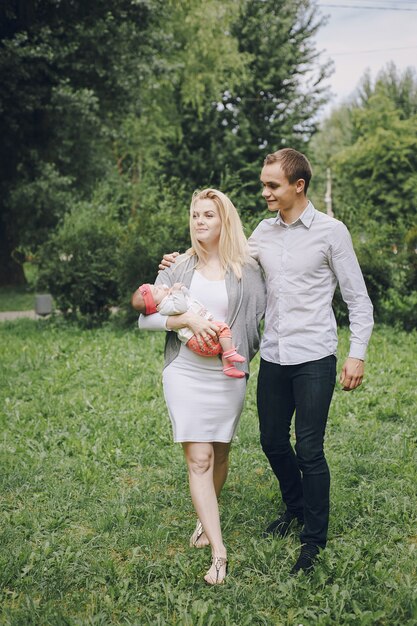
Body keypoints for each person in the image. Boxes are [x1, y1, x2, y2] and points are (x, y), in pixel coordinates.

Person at [159, 148, 374, 576]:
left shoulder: (332, 232)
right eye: (263, 184)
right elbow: (224, 249)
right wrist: (181, 259)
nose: (265, 192)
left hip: (315, 356)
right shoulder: (262, 231)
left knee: (309, 449)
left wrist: (357, 353)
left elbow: (357, 299)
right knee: (273, 441)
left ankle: (313, 539)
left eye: (272, 185)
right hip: (274, 356)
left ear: (299, 186)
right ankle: (295, 507)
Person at [132, 188, 266, 585]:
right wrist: (186, 322)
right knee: (200, 459)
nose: (200, 221)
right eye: (195, 215)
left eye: (209, 214)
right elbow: (145, 318)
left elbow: (257, 323)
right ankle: (218, 552)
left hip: (226, 374)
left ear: (225, 221)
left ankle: (204, 517)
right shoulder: (176, 267)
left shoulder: (247, 269)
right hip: (185, 373)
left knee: (220, 453)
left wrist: (235, 355)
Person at [132, 281, 246, 378]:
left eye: (156, 286)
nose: (160, 287)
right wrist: (176, 291)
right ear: (155, 305)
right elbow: (182, 307)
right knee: (223, 329)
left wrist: (181, 289)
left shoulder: (168, 300)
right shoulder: (165, 306)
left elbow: (188, 297)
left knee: (221, 343)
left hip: (196, 339)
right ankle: (230, 353)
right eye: (156, 291)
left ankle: (228, 366)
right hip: (196, 339)